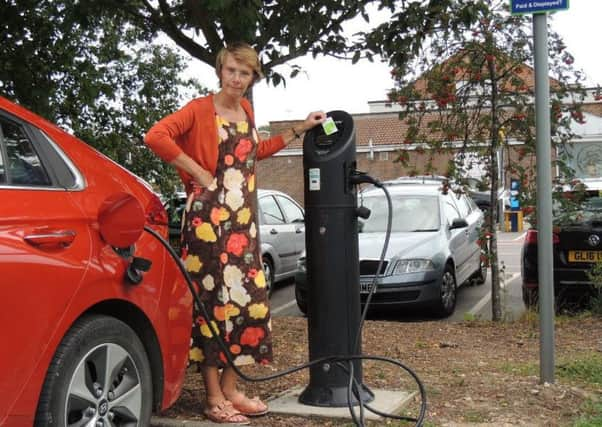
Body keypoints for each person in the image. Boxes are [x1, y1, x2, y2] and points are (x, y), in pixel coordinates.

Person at [144, 42, 325, 425]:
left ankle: (231, 389)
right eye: (231, 70)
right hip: (208, 222)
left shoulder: (245, 109)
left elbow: (254, 152)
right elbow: (156, 137)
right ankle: (212, 398)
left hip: (243, 221)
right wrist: (197, 172)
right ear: (220, 71)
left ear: (252, 77)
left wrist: (300, 128)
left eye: (244, 73)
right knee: (214, 305)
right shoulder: (198, 109)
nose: (237, 78)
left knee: (249, 302)